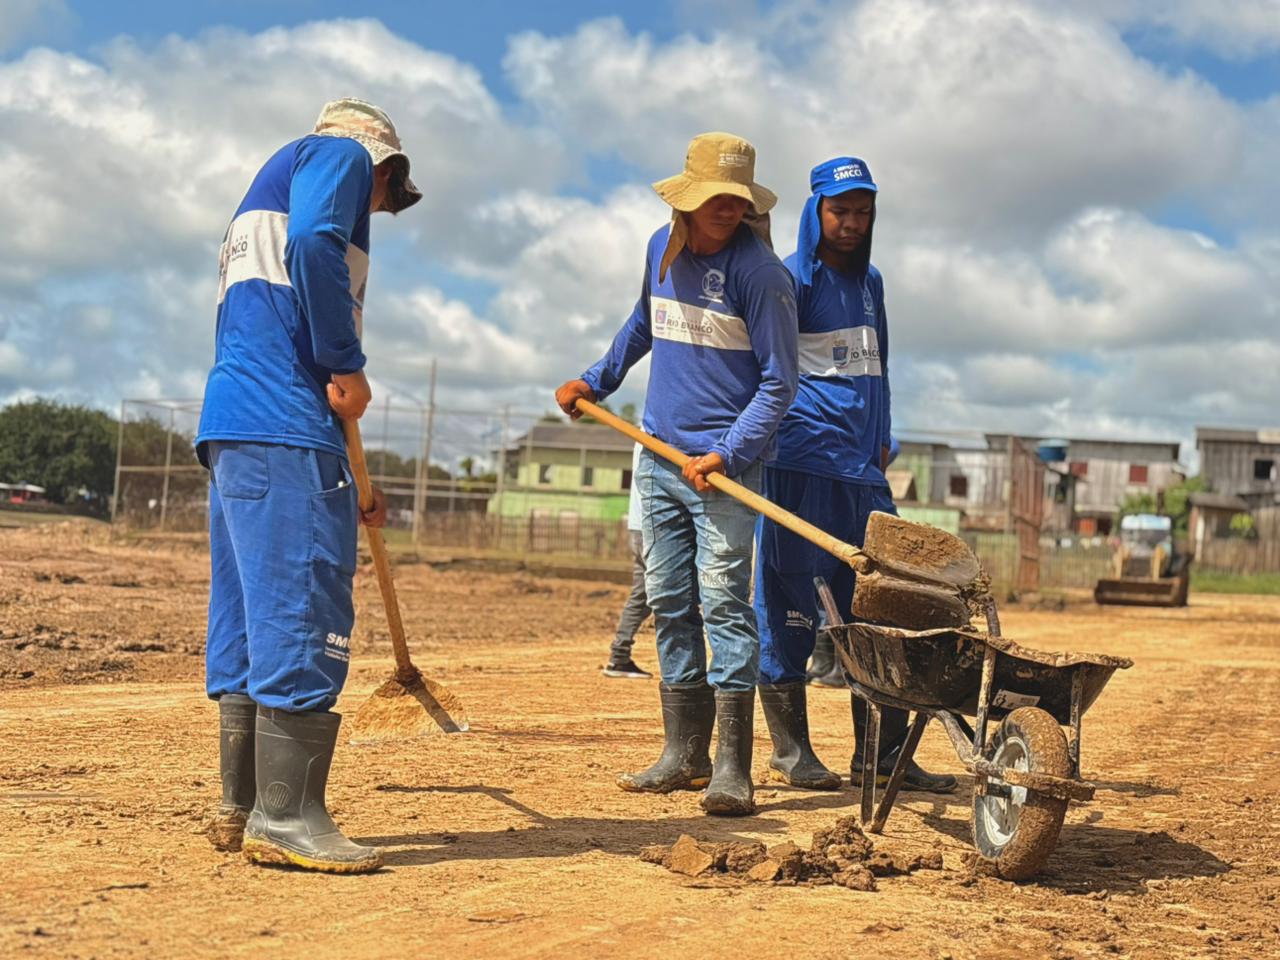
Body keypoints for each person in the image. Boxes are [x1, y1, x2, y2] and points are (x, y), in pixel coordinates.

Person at [196, 98, 423, 872]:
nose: (376, 210)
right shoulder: (341, 157)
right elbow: (317, 241)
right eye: (386, 197)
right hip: (286, 423)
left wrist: (354, 484)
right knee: (302, 603)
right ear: (384, 168)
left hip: (238, 427)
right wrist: (345, 360)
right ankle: (287, 815)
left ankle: (242, 803)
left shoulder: (264, 193)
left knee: (251, 616)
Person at [556, 132, 797, 816]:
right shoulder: (659, 251)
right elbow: (644, 322)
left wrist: (730, 452)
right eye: (715, 196)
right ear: (686, 199)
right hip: (659, 458)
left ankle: (732, 767)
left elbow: (780, 383)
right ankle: (684, 754)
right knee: (668, 599)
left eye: (737, 198)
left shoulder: (762, 276)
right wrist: (596, 380)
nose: (728, 207)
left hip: (722, 473)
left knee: (724, 603)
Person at [753, 157, 956, 794]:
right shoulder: (790, 278)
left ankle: (882, 755)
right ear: (815, 212)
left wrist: (883, 439)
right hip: (801, 465)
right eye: (839, 210)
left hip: (864, 475)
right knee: (789, 601)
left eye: (863, 212)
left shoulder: (872, 283)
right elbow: (768, 368)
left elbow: (881, 369)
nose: (851, 222)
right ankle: (792, 752)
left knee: (879, 606)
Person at [603, 443, 655, 679]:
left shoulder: (644, 433)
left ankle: (619, 656)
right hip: (652, 525)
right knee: (677, 592)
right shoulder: (660, 430)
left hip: (639, 524)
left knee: (642, 595)